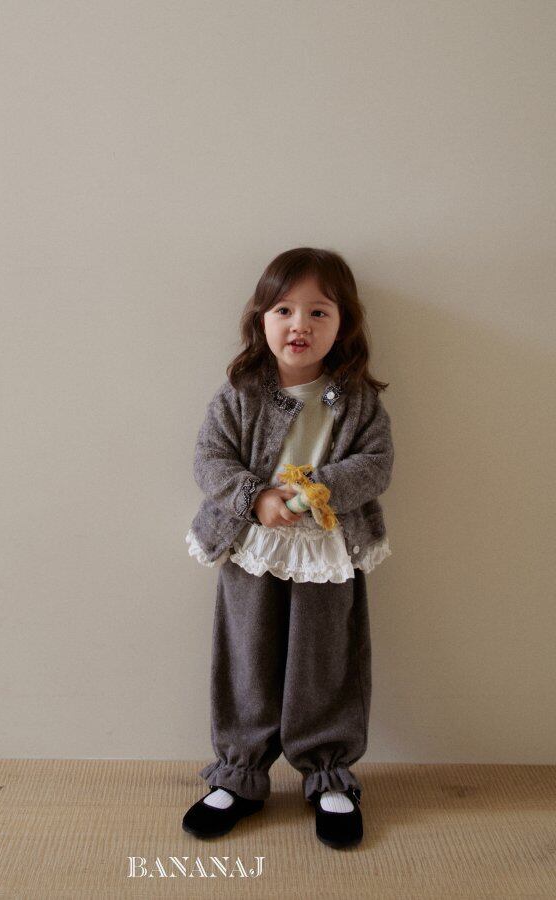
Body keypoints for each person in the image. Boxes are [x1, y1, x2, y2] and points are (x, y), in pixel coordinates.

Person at [181, 247, 395, 848]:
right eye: (284, 310)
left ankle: (328, 774)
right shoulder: (240, 394)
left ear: (343, 324)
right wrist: (255, 497)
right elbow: (209, 459)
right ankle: (239, 774)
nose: (300, 324)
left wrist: (319, 488)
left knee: (325, 660)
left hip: (327, 550)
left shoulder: (357, 399)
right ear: (262, 319)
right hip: (253, 546)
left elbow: (376, 464)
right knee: (247, 655)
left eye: (318, 312)